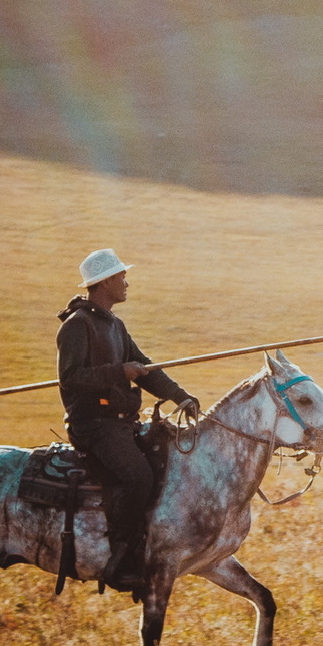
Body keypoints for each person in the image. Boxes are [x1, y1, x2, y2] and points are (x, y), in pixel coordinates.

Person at [57, 249, 201, 589]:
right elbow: (71, 378)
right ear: (105, 282)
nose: (126, 282)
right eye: (121, 276)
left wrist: (181, 396)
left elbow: (145, 369)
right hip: (93, 424)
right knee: (138, 476)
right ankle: (121, 558)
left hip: (119, 423)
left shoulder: (114, 325)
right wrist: (119, 371)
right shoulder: (76, 325)